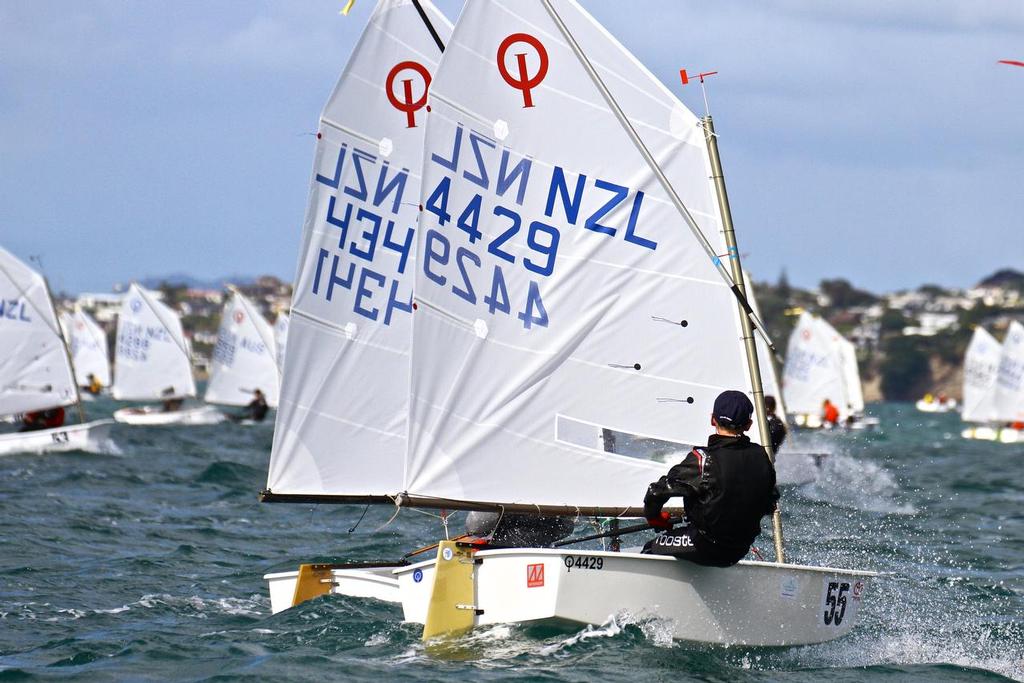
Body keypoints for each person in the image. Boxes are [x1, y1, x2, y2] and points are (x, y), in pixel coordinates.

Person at [641, 390, 779, 567]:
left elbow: (655, 492)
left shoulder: (703, 459)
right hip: (739, 549)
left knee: (649, 549)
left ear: (712, 419)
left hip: (704, 545)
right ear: (749, 425)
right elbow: (770, 502)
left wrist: (655, 518)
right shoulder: (762, 457)